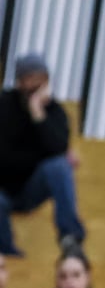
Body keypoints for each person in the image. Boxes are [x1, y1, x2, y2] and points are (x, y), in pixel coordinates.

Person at [0, 53, 85, 258]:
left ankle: (69, 238)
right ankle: (6, 251)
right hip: (2, 187)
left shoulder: (54, 112)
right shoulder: (4, 105)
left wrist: (38, 115)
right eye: (30, 78)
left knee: (59, 167)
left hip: (30, 189)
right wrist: (36, 156)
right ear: (20, 81)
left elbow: (58, 149)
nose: (35, 84)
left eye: (40, 78)